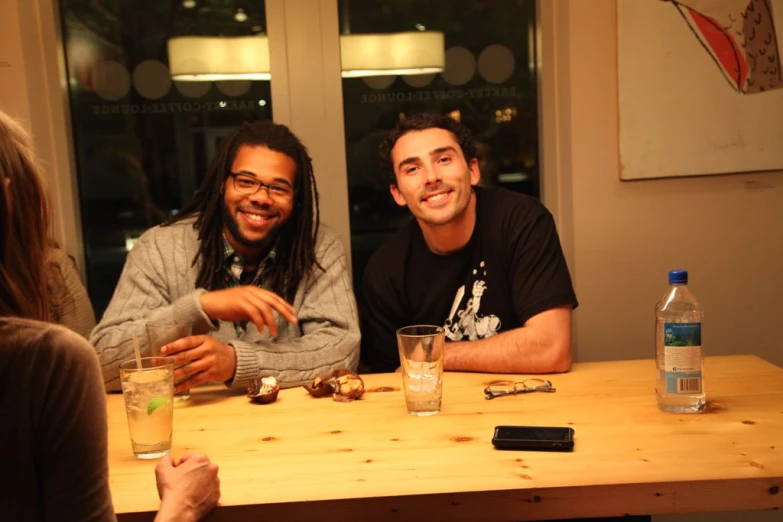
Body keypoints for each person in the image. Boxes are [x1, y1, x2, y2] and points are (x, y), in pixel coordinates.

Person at [0, 109, 220, 521]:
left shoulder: (318, 247)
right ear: (13, 201)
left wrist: (237, 362)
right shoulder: (47, 360)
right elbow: (102, 356)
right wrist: (183, 505)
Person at [91, 120, 360, 392]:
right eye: (246, 181)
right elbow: (102, 364)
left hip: (292, 427)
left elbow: (342, 352)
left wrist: (236, 362)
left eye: (279, 188)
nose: (261, 198)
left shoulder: (318, 247)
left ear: (296, 198)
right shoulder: (160, 248)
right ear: (222, 184)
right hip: (192, 427)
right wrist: (201, 307)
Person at [360, 112, 578, 374]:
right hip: (435, 411)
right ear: (397, 193)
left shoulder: (521, 221)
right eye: (412, 169)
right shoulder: (386, 269)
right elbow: (390, 378)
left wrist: (431, 353)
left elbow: (551, 349)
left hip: (524, 401)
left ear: (473, 171)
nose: (431, 177)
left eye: (443, 159)